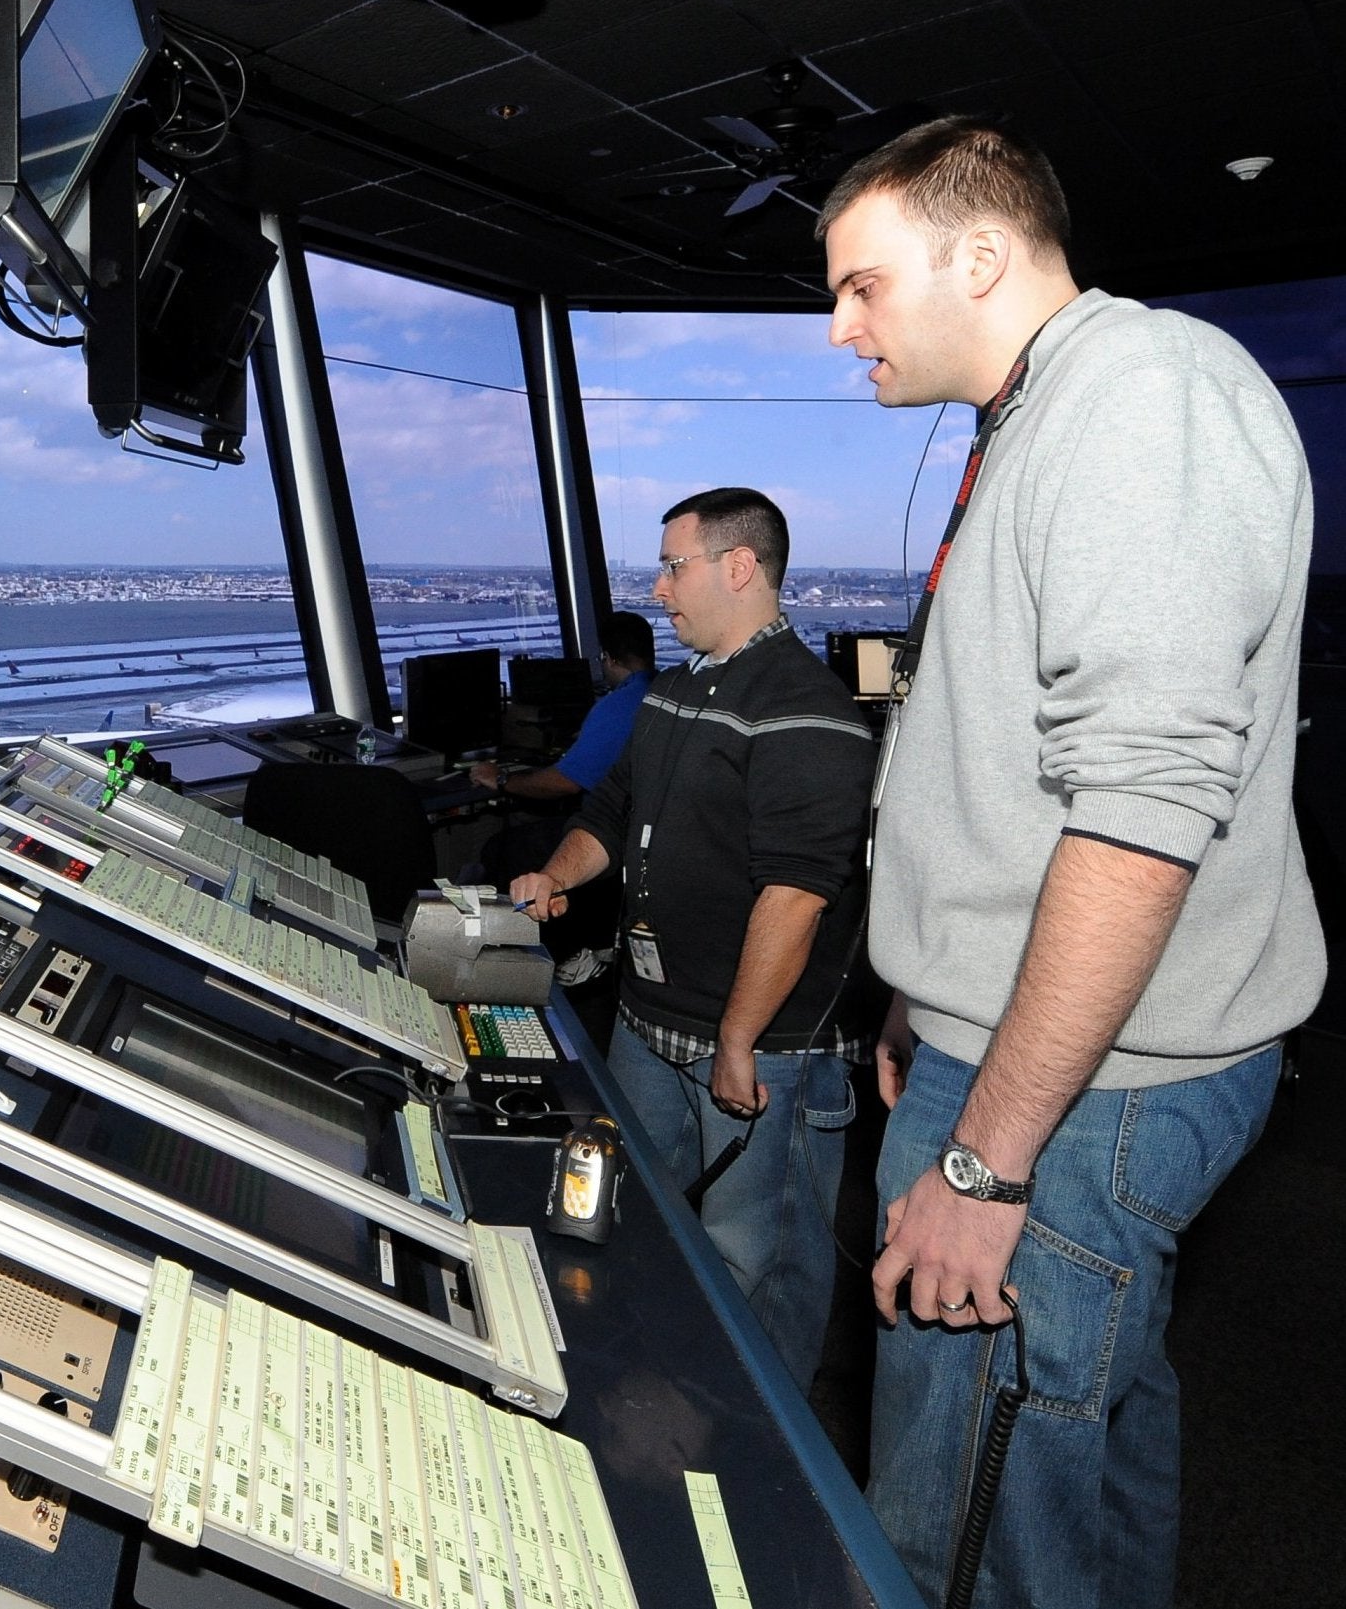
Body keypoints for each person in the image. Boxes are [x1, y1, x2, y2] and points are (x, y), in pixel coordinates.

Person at [819, 116, 1322, 1609]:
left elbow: (1141, 811)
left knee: (965, 1515)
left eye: (859, 284)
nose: (839, 325)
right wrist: (928, 992)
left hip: (1082, 1095)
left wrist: (987, 1157)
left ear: (977, 256)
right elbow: (1014, 783)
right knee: (1083, 1447)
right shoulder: (1042, 416)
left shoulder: (1140, 401)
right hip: (1030, 1052)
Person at [512, 489, 875, 1388]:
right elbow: (609, 812)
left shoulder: (808, 712)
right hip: (648, 1027)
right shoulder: (671, 696)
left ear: (740, 567)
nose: (660, 588)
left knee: (758, 1273)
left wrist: (739, 1038)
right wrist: (558, 874)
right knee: (638, 1227)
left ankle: (761, 1461)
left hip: (756, 1051)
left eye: (676, 566)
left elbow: (793, 900)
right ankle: (653, 1397)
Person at [470, 609, 658, 806]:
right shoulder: (669, 690)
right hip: (658, 818)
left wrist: (501, 779)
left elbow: (564, 784)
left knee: (504, 837)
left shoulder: (617, 707)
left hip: (614, 827)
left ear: (609, 658)